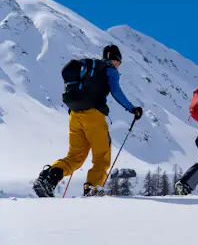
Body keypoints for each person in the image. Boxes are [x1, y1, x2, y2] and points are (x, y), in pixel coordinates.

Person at [33, 45, 143, 197]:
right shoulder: (110, 70)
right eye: (118, 63)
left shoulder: (88, 69)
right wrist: (132, 108)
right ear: (115, 60)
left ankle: (48, 179)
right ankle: (93, 189)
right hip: (94, 116)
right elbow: (116, 91)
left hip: (75, 116)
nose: (118, 66)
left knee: (74, 157)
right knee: (101, 157)